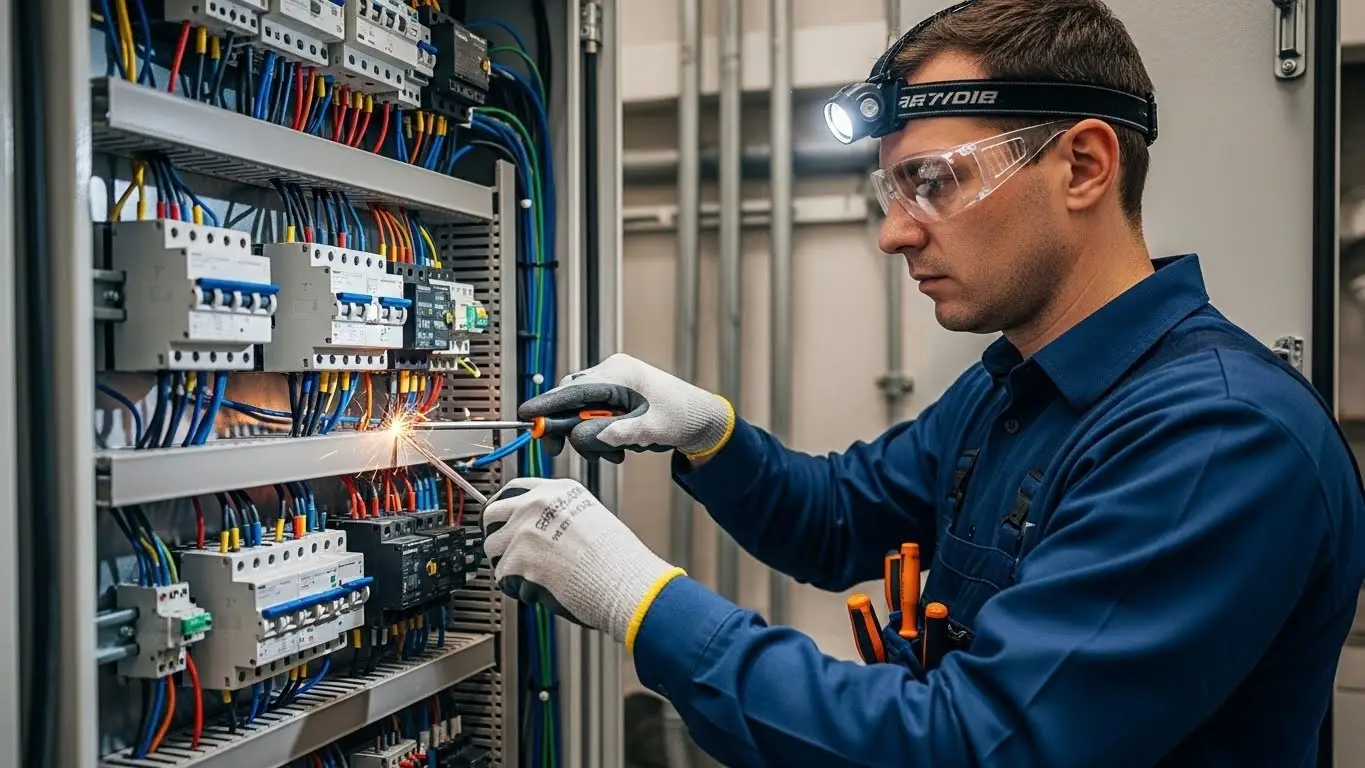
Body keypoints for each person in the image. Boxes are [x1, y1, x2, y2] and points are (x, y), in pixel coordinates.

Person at [482, 0, 1365, 765]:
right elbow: (838, 518)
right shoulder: (1015, 386)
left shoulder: (1215, 438)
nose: (894, 234)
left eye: (932, 183)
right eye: (890, 190)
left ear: (1085, 165)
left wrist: (638, 601)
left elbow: (971, 747)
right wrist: (709, 434)